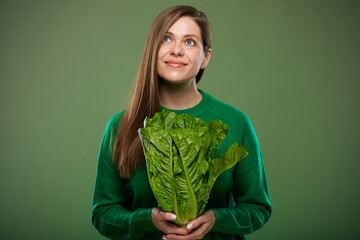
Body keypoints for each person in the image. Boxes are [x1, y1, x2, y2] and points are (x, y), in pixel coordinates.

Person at [91, 5, 272, 240]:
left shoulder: (235, 123)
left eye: (189, 42)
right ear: (152, 49)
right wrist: (148, 219)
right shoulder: (121, 125)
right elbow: (102, 214)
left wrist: (217, 219)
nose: (176, 50)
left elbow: (258, 209)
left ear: (205, 57)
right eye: (166, 39)